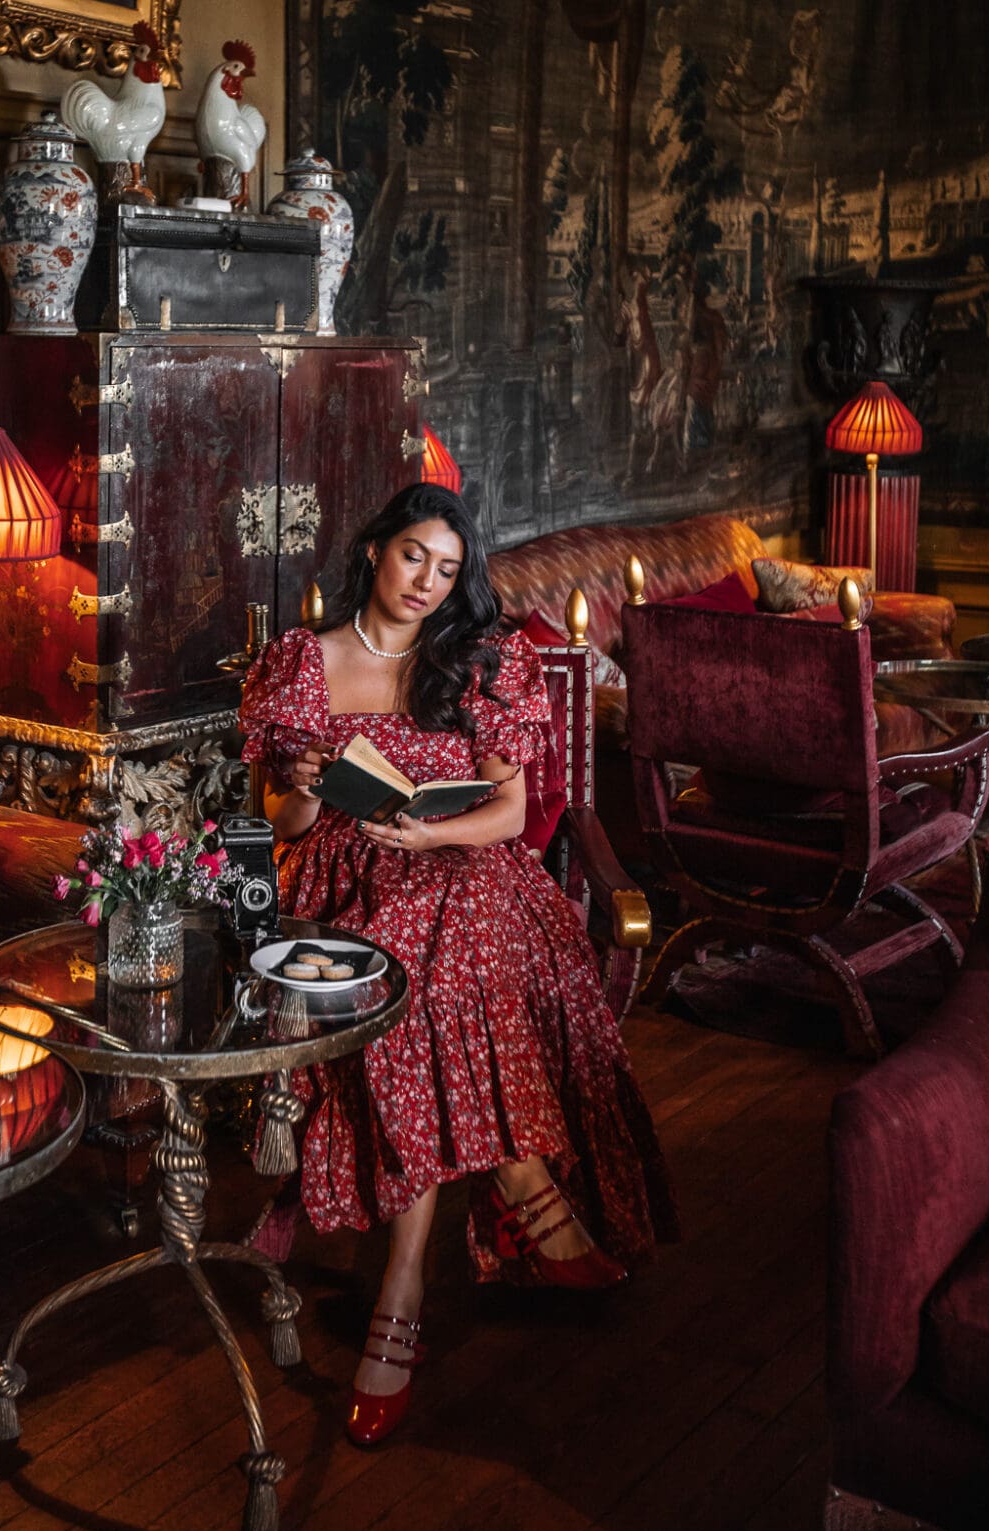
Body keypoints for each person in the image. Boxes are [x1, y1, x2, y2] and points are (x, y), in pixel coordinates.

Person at [238, 483, 677, 1448]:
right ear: (373, 551)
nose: (428, 586)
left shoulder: (479, 660)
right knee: (415, 976)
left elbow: (511, 815)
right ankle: (528, 1193)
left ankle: (402, 1296)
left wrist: (427, 837)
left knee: (430, 974)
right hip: (347, 885)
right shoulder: (301, 666)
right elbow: (284, 830)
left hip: (461, 868)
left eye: (446, 570)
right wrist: (303, 787)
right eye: (411, 560)